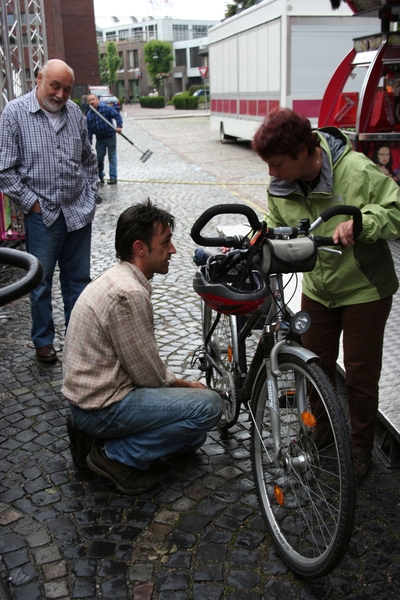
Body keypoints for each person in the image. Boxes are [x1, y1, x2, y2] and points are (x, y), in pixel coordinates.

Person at [252, 108, 400, 479]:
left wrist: (363, 222)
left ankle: (361, 447)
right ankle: (321, 431)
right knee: (313, 365)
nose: (271, 172)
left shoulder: (357, 171)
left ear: (304, 153)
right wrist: (259, 237)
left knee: (360, 376)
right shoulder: (282, 184)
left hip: (364, 287)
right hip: (319, 287)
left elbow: (396, 209)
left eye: (277, 163)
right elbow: (275, 223)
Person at [62, 199, 223, 495]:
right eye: (166, 242)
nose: (172, 250)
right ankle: (113, 456)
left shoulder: (117, 278)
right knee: (209, 407)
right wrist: (189, 386)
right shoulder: (129, 293)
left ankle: (95, 439)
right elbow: (149, 376)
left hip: (94, 399)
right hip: (100, 407)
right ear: (140, 248)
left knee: (193, 439)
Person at [0, 59, 101, 364]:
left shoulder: (75, 113)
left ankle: (78, 340)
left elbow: (88, 158)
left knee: (78, 281)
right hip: (42, 216)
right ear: (39, 79)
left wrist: (91, 194)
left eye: (67, 89)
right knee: (39, 282)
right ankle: (43, 340)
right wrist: (31, 204)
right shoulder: (15, 113)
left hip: (78, 213)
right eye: (54, 86)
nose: (60, 94)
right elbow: (5, 169)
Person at [86, 93, 123, 185]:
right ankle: (100, 176)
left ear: (97, 100)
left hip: (110, 136)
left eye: (93, 99)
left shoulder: (105, 108)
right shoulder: (89, 115)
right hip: (100, 139)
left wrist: (119, 126)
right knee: (99, 158)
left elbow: (117, 116)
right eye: (89, 100)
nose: (91, 101)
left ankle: (113, 177)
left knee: (112, 157)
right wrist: (88, 142)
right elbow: (89, 130)